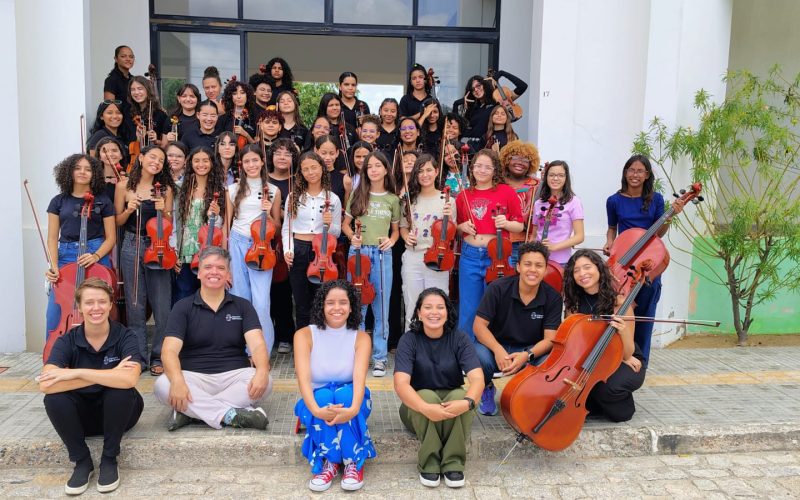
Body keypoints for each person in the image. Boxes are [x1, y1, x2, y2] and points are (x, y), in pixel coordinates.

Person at [40, 278, 143, 495]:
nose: (96, 308)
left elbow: (129, 380)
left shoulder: (125, 336)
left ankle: (109, 459)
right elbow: (47, 385)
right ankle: (82, 461)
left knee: (120, 391)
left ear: (111, 304)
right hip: (81, 418)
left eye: (102, 302)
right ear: (79, 307)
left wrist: (75, 373)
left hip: (119, 415)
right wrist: (111, 374)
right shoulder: (67, 340)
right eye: (89, 302)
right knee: (54, 399)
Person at [154, 246, 273, 431]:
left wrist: (263, 371)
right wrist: (177, 382)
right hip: (193, 378)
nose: (214, 272)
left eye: (221, 268)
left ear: (228, 274)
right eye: (208, 267)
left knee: (266, 382)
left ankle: (190, 412)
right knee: (163, 384)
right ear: (199, 273)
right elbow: (168, 351)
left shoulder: (243, 306)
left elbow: (257, 346)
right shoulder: (182, 307)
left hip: (234, 376)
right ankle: (231, 414)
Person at [393, 288, 483, 488]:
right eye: (428, 307)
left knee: (462, 394)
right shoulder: (409, 340)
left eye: (440, 307)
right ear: (418, 312)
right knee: (425, 395)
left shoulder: (459, 338)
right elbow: (401, 384)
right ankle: (430, 462)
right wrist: (426, 408)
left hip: (452, 405)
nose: (434, 312)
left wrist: (467, 403)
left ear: (447, 311)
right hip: (416, 410)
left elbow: (477, 379)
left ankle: (453, 463)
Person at [294, 280, 376, 492]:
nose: (337, 308)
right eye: (330, 302)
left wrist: (354, 409)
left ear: (351, 307)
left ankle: (352, 463)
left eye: (343, 302)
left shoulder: (361, 338)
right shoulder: (303, 335)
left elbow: (359, 379)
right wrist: (315, 409)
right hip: (316, 399)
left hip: (352, 397)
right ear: (322, 306)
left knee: (345, 395)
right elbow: (303, 379)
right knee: (322, 398)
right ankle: (329, 462)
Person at [604, 154, 685, 364]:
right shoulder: (614, 201)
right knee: (620, 314)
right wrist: (609, 242)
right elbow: (612, 229)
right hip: (623, 263)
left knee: (645, 316)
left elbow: (659, 233)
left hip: (648, 264)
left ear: (647, 175)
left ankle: (642, 363)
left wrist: (670, 216)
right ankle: (619, 359)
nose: (635, 174)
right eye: (631, 170)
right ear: (625, 172)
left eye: (640, 171)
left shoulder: (656, 199)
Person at [472, 241, 563, 416]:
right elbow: (478, 326)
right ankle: (487, 387)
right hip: (496, 347)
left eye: (539, 265)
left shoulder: (553, 298)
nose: (533, 270)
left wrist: (527, 355)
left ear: (545, 270)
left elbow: (550, 339)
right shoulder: (498, 288)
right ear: (518, 266)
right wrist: (498, 350)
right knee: (477, 353)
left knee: (552, 359)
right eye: (527, 264)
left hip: (530, 351)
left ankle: (529, 395)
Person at [114, 145, 176, 374]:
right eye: (153, 157)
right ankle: (137, 356)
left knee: (162, 306)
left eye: (161, 160)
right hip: (132, 244)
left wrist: (164, 211)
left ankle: (159, 356)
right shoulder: (124, 185)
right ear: (140, 158)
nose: (156, 162)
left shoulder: (166, 189)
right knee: (135, 304)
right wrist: (129, 209)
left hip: (158, 246)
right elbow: (118, 221)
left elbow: (170, 223)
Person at [563, 249, 644, 422]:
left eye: (587, 267)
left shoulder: (619, 303)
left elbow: (628, 352)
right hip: (590, 355)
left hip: (623, 357)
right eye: (576, 271)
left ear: (599, 269)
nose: (582, 274)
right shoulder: (573, 304)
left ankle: (616, 401)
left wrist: (622, 332)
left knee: (607, 390)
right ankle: (595, 402)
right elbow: (573, 342)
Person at [454, 148, 523, 342]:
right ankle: (466, 352)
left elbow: (519, 225)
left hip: (498, 255)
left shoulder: (507, 192)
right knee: (469, 307)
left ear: (495, 170)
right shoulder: (463, 196)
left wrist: (506, 223)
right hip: (470, 255)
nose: (482, 170)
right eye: (478, 166)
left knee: (497, 306)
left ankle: (495, 352)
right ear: (472, 168)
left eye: (487, 167)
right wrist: (461, 226)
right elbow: (457, 229)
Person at [45, 155, 116, 341]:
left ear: (94, 174)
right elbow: (52, 238)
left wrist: (95, 256)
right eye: (78, 168)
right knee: (56, 309)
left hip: (96, 253)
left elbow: (111, 238)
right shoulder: (58, 201)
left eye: (88, 169)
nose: (83, 172)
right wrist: (53, 265)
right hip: (66, 254)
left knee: (98, 306)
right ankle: (54, 358)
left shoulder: (103, 201)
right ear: (69, 171)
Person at [342, 151, 400, 377]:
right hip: (358, 253)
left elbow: (395, 232)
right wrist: (351, 237)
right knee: (357, 306)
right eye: (370, 167)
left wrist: (391, 241)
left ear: (386, 169)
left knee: (381, 307)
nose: (374, 170)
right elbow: (346, 224)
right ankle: (358, 356)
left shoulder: (392, 199)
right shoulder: (357, 194)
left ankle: (379, 357)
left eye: (378, 165)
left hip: (382, 253)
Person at [226, 143, 282, 354]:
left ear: (262, 162)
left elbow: (277, 227)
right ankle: (241, 351)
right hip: (238, 243)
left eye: (255, 160)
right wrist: (226, 260)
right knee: (239, 299)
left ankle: (261, 352)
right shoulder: (232, 189)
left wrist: (268, 213)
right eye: (247, 161)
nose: (251, 165)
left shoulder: (273, 190)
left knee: (261, 302)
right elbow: (226, 224)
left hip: (262, 247)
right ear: (242, 164)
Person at [283, 152, 342, 331]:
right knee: (301, 302)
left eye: (314, 167)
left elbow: (337, 232)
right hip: (299, 250)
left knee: (321, 300)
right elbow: (287, 227)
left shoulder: (333, 199)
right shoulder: (294, 197)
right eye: (306, 169)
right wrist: (288, 250)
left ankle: (321, 342)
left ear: (322, 169)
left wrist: (329, 224)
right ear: (300, 173)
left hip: (323, 252)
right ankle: (303, 342)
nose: (311, 172)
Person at [399, 155, 456, 329]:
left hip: (437, 257)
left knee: (438, 304)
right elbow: (403, 227)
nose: (425, 174)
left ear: (437, 171)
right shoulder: (410, 200)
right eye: (421, 171)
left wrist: (449, 216)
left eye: (429, 170)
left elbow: (451, 233)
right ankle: (411, 346)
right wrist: (406, 236)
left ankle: (437, 346)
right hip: (413, 256)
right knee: (412, 303)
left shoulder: (447, 200)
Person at [174, 146, 226, 302]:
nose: (201, 164)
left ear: (212, 163)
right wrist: (175, 251)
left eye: (205, 160)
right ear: (190, 164)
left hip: (207, 250)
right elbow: (174, 223)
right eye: (196, 161)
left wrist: (215, 215)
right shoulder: (180, 188)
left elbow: (220, 227)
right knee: (184, 295)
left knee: (209, 296)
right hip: (186, 251)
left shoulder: (221, 191)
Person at [267, 138, 298, 354]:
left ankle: (286, 333)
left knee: (284, 288)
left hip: (291, 239)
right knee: (266, 290)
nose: (282, 157)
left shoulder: (298, 181)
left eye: (287, 154)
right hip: (263, 239)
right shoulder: (263, 180)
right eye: (278, 153)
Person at [532, 160, 584, 266]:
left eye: (560, 175)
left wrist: (555, 246)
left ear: (566, 178)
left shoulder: (574, 202)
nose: (555, 178)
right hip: (538, 260)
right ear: (546, 177)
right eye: (552, 175)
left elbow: (579, 236)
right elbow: (534, 235)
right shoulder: (538, 203)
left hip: (561, 262)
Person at [499, 140, 541, 267]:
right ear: (507, 159)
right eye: (515, 158)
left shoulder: (536, 184)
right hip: (500, 240)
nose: (520, 163)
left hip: (525, 242)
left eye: (526, 160)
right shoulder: (497, 181)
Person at [126, 75, 170, 148]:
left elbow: (166, 145)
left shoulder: (160, 114)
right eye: (133, 89)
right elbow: (125, 141)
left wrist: (156, 140)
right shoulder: (128, 113)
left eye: (140, 89)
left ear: (148, 90)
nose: (136, 92)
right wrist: (138, 138)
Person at [220, 78, 259, 146]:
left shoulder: (255, 117)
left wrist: (245, 134)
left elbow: (256, 145)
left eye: (242, 93)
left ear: (247, 95)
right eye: (234, 94)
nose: (239, 96)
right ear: (230, 97)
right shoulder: (223, 118)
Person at [103, 45, 135, 127]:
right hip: (121, 124)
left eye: (131, 57)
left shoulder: (134, 80)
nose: (128, 59)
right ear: (116, 59)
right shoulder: (111, 80)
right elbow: (110, 107)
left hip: (134, 121)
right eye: (123, 56)